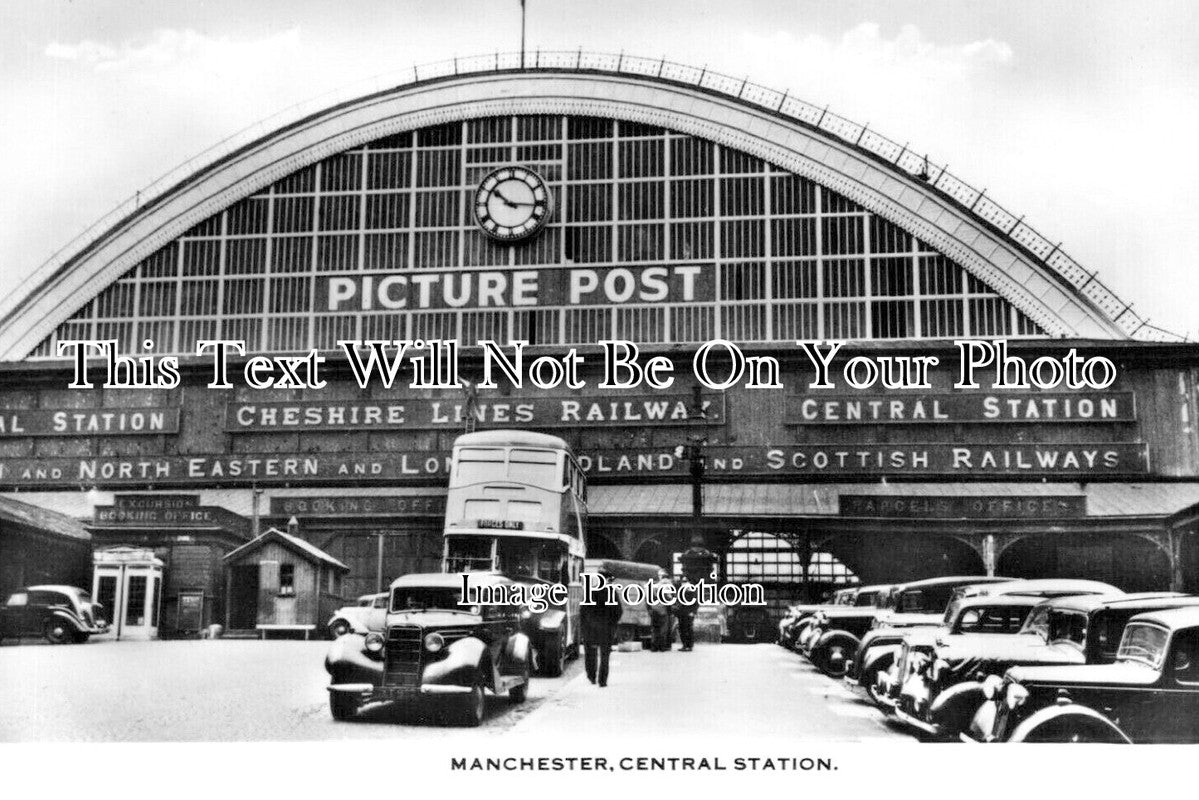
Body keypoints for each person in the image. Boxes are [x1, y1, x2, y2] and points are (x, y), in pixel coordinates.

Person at [580, 570, 623, 687]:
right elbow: (618, 611)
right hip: (606, 628)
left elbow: (583, 611)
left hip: (591, 628)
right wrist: (612, 624)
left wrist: (584, 626)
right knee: (605, 655)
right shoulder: (611, 593)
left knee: (590, 654)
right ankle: (602, 680)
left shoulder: (590, 591)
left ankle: (591, 676)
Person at [648, 571, 674, 652]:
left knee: (655, 629)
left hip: (654, 609)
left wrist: (649, 609)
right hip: (663, 610)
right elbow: (669, 599)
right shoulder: (668, 586)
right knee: (663, 629)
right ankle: (662, 646)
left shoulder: (654, 586)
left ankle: (654, 647)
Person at [674, 578, 698, 652]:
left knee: (687, 629)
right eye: (683, 582)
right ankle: (686, 645)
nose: (683, 583)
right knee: (684, 629)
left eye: (685, 582)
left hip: (687, 613)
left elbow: (695, 603)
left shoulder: (691, 591)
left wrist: (693, 612)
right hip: (683, 613)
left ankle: (688, 645)